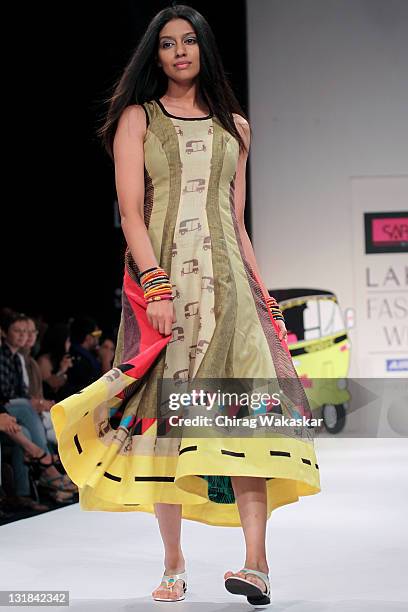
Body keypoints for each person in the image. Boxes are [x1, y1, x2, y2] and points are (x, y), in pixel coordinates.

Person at [50, 4, 321, 606]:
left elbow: (238, 222)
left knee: (244, 420)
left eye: (189, 41)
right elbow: (130, 215)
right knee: (170, 428)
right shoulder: (137, 120)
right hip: (169, 291)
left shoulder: (236, 127)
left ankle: (258, 564)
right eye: (168, 43)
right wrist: (156, 286)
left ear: (204, 50)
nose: (179, 51)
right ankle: (174, 561)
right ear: (156, 53)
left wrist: (265, 297)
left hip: (232, 293)